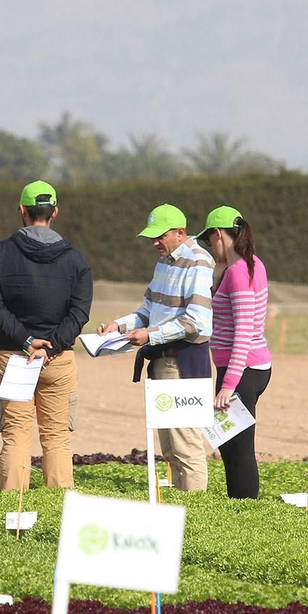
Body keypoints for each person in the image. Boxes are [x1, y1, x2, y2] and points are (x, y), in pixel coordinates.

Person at [0, 180, 93, 490]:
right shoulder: (76, 260)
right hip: (58, 360)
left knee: (15, 434)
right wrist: (53, 343)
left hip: (13, 356)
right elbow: (80, 313)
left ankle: (12, 508)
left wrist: (26, 340)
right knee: (57, 437)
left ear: (22, 210)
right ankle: (59, 508)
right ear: (55, 212)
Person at [99, 204, 214, 491]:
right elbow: (149, 309)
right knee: (171, 447)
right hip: (162, 361)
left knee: (185, 445)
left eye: (159, 236)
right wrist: (121, 325)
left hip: (184, 360)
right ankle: (181, 507)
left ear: (180, 232)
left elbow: (197, 321)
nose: (154, 242)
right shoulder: (164, 262)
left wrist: (150, 336)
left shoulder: (199, 261)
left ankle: (197, 513)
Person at [198, 206, 272, 500]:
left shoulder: (239, 273)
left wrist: (228, 386)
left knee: (239, 449)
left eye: (208, 241)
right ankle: (238, 504)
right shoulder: (251, 265)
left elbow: (243, 331)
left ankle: (245, 510)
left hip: (241, 371)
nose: (209, 247)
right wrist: (218, 272)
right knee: (228, 445)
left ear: (219, 234)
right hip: (247, 368)